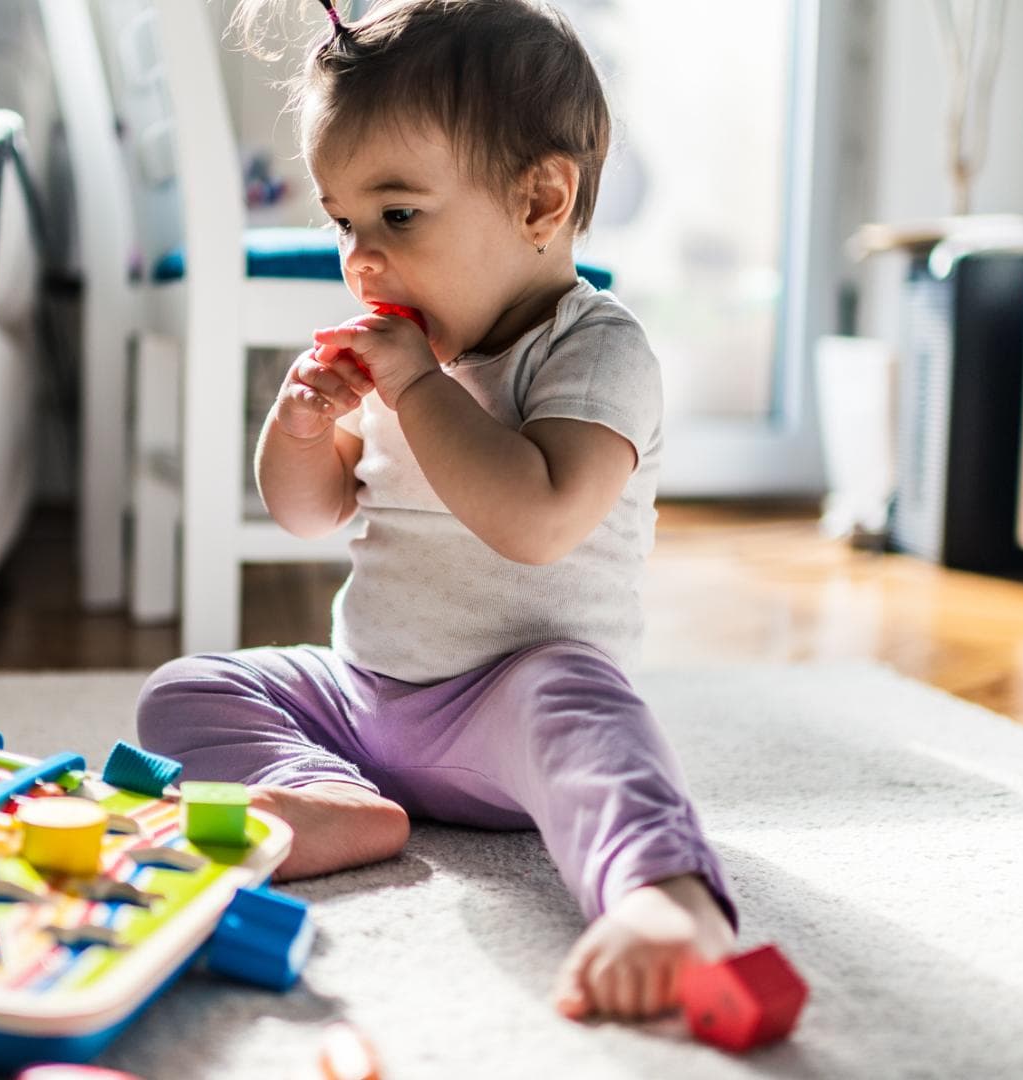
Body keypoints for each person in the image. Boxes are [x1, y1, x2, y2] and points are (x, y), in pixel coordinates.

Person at [137, 0, 736, 1021]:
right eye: (343, 222)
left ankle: (666, 900)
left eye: (399, 216)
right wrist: (302, 428)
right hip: (366, 693)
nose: (362, 259)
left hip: (512, 708)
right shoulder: (414, 353)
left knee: (591, 724)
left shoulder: (596, 352)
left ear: (542, 200)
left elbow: (535, 521)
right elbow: (310, 514)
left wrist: (419, 392)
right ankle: (334, 803)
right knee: (189, 688)